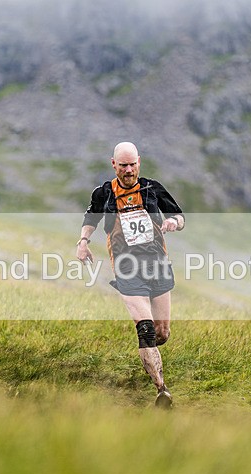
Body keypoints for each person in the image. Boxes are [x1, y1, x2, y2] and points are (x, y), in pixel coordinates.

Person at [77, 141, 185, 408]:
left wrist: (173, 222)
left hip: (158, 264)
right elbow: (91, 217)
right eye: (122, 165)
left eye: (132, 164)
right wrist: (83, 242)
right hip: (127, 269)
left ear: (139, 162)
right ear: (113, 164)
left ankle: (148, 360)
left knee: (162, 333)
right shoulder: (104, 193)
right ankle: (162, 391)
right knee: (146, 330)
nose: (128, 170)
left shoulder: (152, 188)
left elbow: (180, 217)